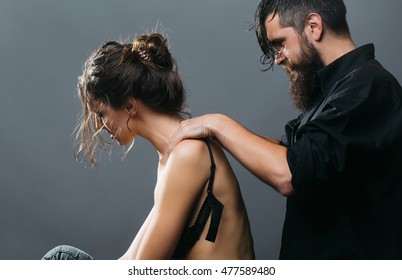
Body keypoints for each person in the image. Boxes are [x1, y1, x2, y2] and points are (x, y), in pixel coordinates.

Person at [169, 0, 402, 259]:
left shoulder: (367, 86)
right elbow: (289, 152)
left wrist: (217, 123)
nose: (278, 58)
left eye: (280, 42)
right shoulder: (334, 91)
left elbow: (290, 172)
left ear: (314, 26)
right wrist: (213, 136)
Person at [42, 33, 255, 260]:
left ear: (130, 106)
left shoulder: (189, 154)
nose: (98, 125)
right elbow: (129, 260)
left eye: (101, 113)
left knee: (61, 258)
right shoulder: (171, 158)